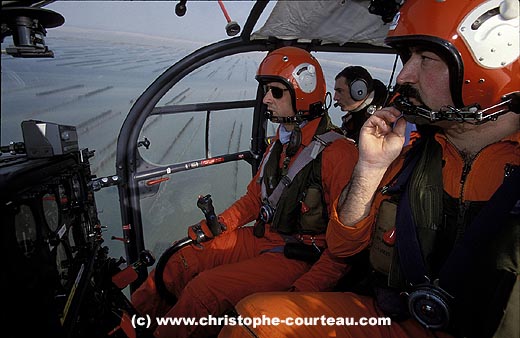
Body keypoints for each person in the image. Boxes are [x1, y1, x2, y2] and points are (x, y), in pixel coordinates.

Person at [219, 0, 520, 337]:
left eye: (427, 59)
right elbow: (344, 248)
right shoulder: (406, 151)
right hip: (397, 317)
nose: (404, 75)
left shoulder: (335, 149)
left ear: (493, 62)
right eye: (408, 59)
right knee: (252, 323)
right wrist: (370, 168)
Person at [130, 46, 359, 338]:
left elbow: (343, 249)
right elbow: (254, 199)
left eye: (275, 92)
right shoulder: (281, 141)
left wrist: (303, 292)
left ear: (303, 94)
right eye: (266, 90)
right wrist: (216, 226)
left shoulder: (339, 154)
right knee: (180, 258)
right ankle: (134, 323)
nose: (266, 99)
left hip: (301, 255)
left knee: (205, 289)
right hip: (265, 237)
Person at [333, 65, 388, 142]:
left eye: (340, 91)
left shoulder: (385, 119)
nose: (335, 98)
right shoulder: (354, 116)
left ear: (359, 91)